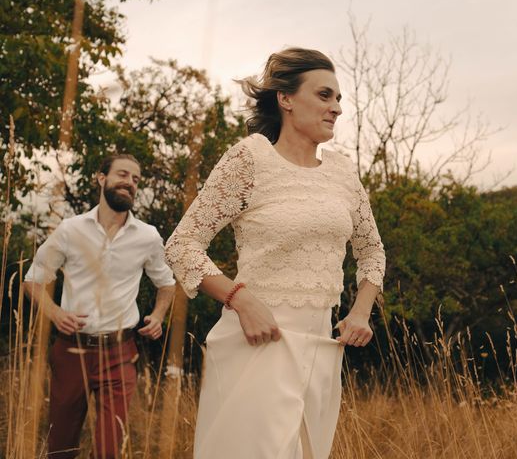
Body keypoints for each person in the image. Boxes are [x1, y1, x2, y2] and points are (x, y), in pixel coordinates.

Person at [165, 47, 386, 459]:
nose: (336, 108)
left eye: (339, 99)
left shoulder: (343, 172)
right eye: (324, 95)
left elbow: (372, 251)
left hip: (322, 349)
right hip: (258, 342)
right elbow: (181, 245)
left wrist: (360, 312)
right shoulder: (250, 159)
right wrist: (240, 299)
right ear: (285, 99)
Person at [23, 154, 176, 459]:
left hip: (120, 352)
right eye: (122, 174)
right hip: (71, 352)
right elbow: (34, 280)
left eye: (135, 179)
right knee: (61, 447)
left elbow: (167, 284)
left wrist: (158, 315)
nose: (129, 183)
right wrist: (55, 313)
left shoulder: (148, 236)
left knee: (109, 449)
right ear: (101, 178)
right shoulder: (70, 229)